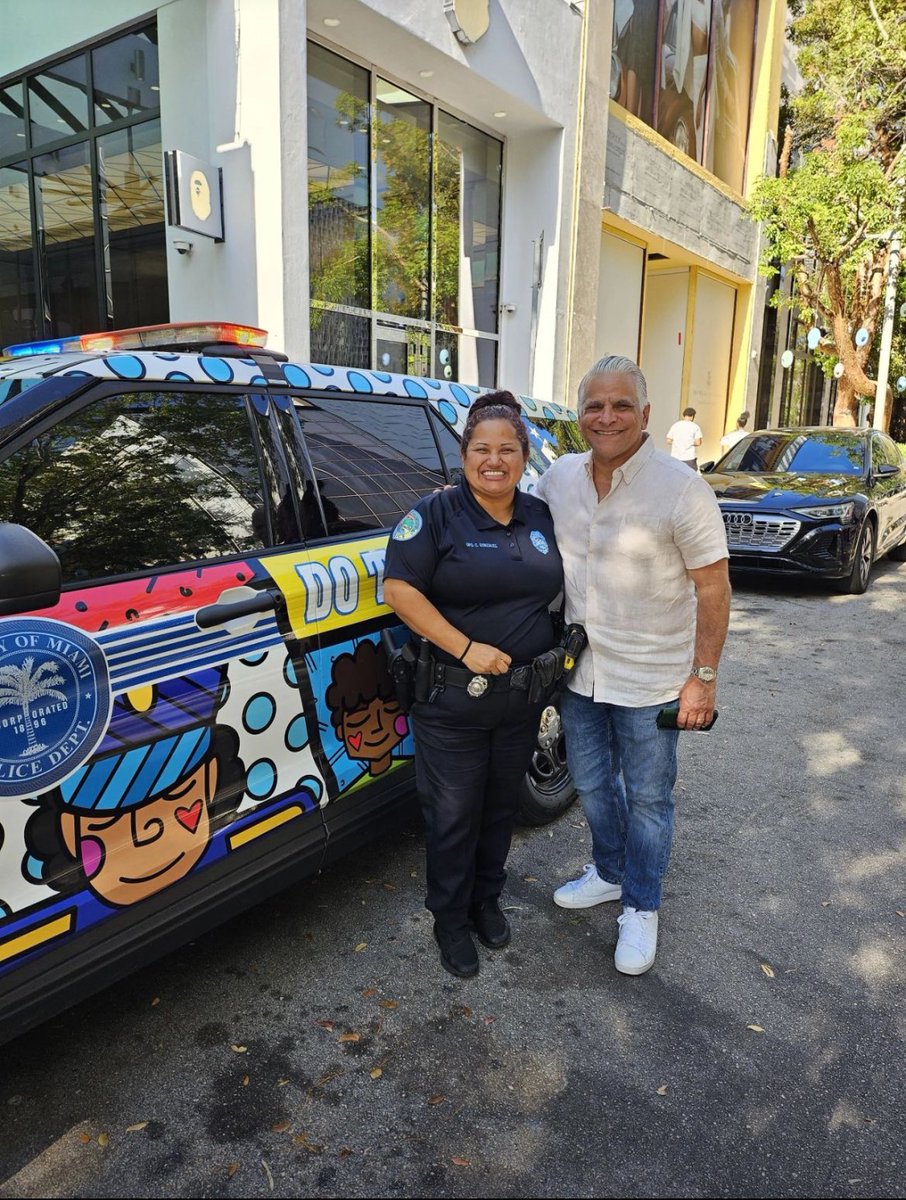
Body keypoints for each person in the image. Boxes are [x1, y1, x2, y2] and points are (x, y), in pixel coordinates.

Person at [535, 356, 730, 976]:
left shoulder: (681, 489)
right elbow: (504, 512)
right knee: (590, 786)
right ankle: (612, 871)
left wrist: (702, 678)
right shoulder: (560, 478)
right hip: (580, 673)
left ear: (645, 416)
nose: (607, 417)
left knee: (648, 798)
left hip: (653, 679)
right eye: (595, 405)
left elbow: (715, 589)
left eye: (621, 406)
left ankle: (642, 905)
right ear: (580, 414)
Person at [383, 391, 563, 979]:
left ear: (523, 453)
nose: (494, 460)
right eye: (481, 448)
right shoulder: (434, 515)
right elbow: (399, 591)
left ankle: (487, 900)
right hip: (454, 700)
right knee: (453, 815)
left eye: (507, 449)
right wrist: (464, 647)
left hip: (520, 699)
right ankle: (450, 921)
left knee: (498, 809)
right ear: (463, 455)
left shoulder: (539, 516)